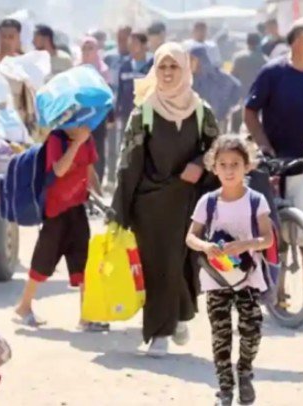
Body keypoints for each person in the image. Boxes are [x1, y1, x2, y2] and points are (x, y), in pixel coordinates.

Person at [112, 42, 220, 357]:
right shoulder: (144, 112)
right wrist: (120, 209)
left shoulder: (201, 111)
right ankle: (160, 333)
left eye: (174, 66)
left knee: (183, 263)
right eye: (162, 66)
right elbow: (128, 162)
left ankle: (180, 313)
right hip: (150, 205)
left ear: (186, 69)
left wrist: (200, 164)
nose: (168, 73)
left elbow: (217, 149)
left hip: (189, 203)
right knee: (158, 266)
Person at [245, 18, 303, 313]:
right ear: (302, 43)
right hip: (276, 160)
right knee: (278, 230)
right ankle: (277, 293)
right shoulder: (272, 72)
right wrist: (263, 145)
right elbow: (250, 112)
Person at [186, 135, 272, 406]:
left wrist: (244, 245)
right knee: (221, 334)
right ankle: (225, 389)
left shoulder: (256, 200)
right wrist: (206, 246)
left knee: (251, 330)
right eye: (222, 164)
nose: (229, 170)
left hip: (248, 278)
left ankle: (244, 371)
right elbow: (191, 236)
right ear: (214, 168)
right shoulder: (208, 202)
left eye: (235, 164)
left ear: (247, 166)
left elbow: (268, 239)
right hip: (217, 278)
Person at [14, 126, 101, 328]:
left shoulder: (88, 139)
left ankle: (86, 316)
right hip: (55, 210)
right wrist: (76, 143)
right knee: (43, 260)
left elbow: (90, 172)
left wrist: (102, 199)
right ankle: (24, 306)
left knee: (84, 261)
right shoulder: (56, 139)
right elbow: (59, 170)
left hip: (77, 207)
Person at [189, 45, 242, 132]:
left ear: (200, 59)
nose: (189, 62)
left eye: (192, 59)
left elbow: (236, 87)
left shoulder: (217, 75)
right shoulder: (188, 78)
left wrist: (226, 106)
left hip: (216, 121)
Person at [80, 36, 111, 184]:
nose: (87, 52)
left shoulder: (103, 71)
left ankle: (97, 181)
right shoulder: (76, 70)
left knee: (98, 149)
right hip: (81, 116)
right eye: (84, 48)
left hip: (99, 115)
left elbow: (108, 95)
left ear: (96, 50)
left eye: (90, 48)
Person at [230, 33, 267, 133]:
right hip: (258, 97)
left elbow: (232, 76)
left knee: (237, 122)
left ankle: (234, 136)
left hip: (241, 96)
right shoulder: (264, 59)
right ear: (259, 43)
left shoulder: (238, 58)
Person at [116, 33, 152, 127]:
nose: (131, 47)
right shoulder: (124, 67)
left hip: (147, 113)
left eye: (135, 43)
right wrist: (118, 111)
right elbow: (120, 91)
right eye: (130, 44)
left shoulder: (152, 66)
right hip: (127, 113)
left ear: (144, 45)